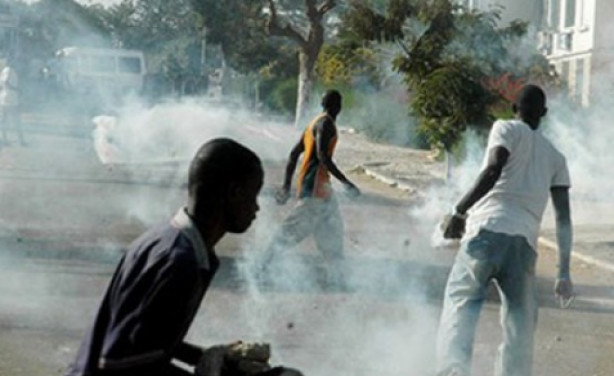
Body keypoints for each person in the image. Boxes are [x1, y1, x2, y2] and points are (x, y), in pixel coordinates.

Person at [65, 138, 298, 376]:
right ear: (234, 193)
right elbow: (118, 362)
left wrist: (207, 356)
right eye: (253, 196)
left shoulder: (169, 240)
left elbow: (148, 339)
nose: (256, 208)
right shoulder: (178, 262)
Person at [436, 84, 574, 376]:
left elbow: (493, 169)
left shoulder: (506, 129)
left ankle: (454, 370)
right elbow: (563, 218)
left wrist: (459, 210)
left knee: (461, 301)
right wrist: (563, 272)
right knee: (519, 325)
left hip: (486, 232)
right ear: (544, 114)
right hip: (523, 246)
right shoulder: (556, 157)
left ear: (515, 109)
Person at [259, 89, 360, 287]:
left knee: (333, 232)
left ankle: (338, 279)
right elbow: (323, 156)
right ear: (338, 106)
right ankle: (261, 269)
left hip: (323, 192)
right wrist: (346, 182)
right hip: (314, 191)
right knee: (286, 235)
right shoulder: (326, 124)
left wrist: (287, 186)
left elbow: (293, 154)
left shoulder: (313, 123)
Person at [0, 59, 24, 146]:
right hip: (10, 99)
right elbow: (6, 83)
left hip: (6, 98)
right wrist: (17, 89)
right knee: (16, 120)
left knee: (4, 121)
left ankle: (5, 140)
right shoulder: (8, 70)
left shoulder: (6, 70)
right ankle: (20, 141)